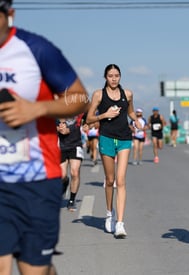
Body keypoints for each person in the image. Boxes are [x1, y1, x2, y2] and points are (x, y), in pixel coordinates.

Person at [0, 1, 89, 274]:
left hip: (35, 181)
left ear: (9, 14)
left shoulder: (35, 49)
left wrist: (37, 108)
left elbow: (80, 98)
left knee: (33, 270)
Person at [86, 64, 142, 239]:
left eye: (116, 75)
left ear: (120, 77)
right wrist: (105, 115)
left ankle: (120, 223)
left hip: (125, 138)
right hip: (106, 138)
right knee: (110, 180)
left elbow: (130, 111)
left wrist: (136, 121)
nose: (114, 79)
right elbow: (89, 118)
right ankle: (109, 213)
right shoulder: (98, 94)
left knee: (121, 179)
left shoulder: (128, 94)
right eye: (110, 76)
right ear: (105, 77)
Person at [56, 114, 84, 212]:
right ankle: (65, 182)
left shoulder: (79, 109)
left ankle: (72, 200)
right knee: (62, 175)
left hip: (75, 145)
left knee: (74, 172)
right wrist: (58, 128)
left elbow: (90, 118)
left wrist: (88, 124)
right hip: (60, 146)